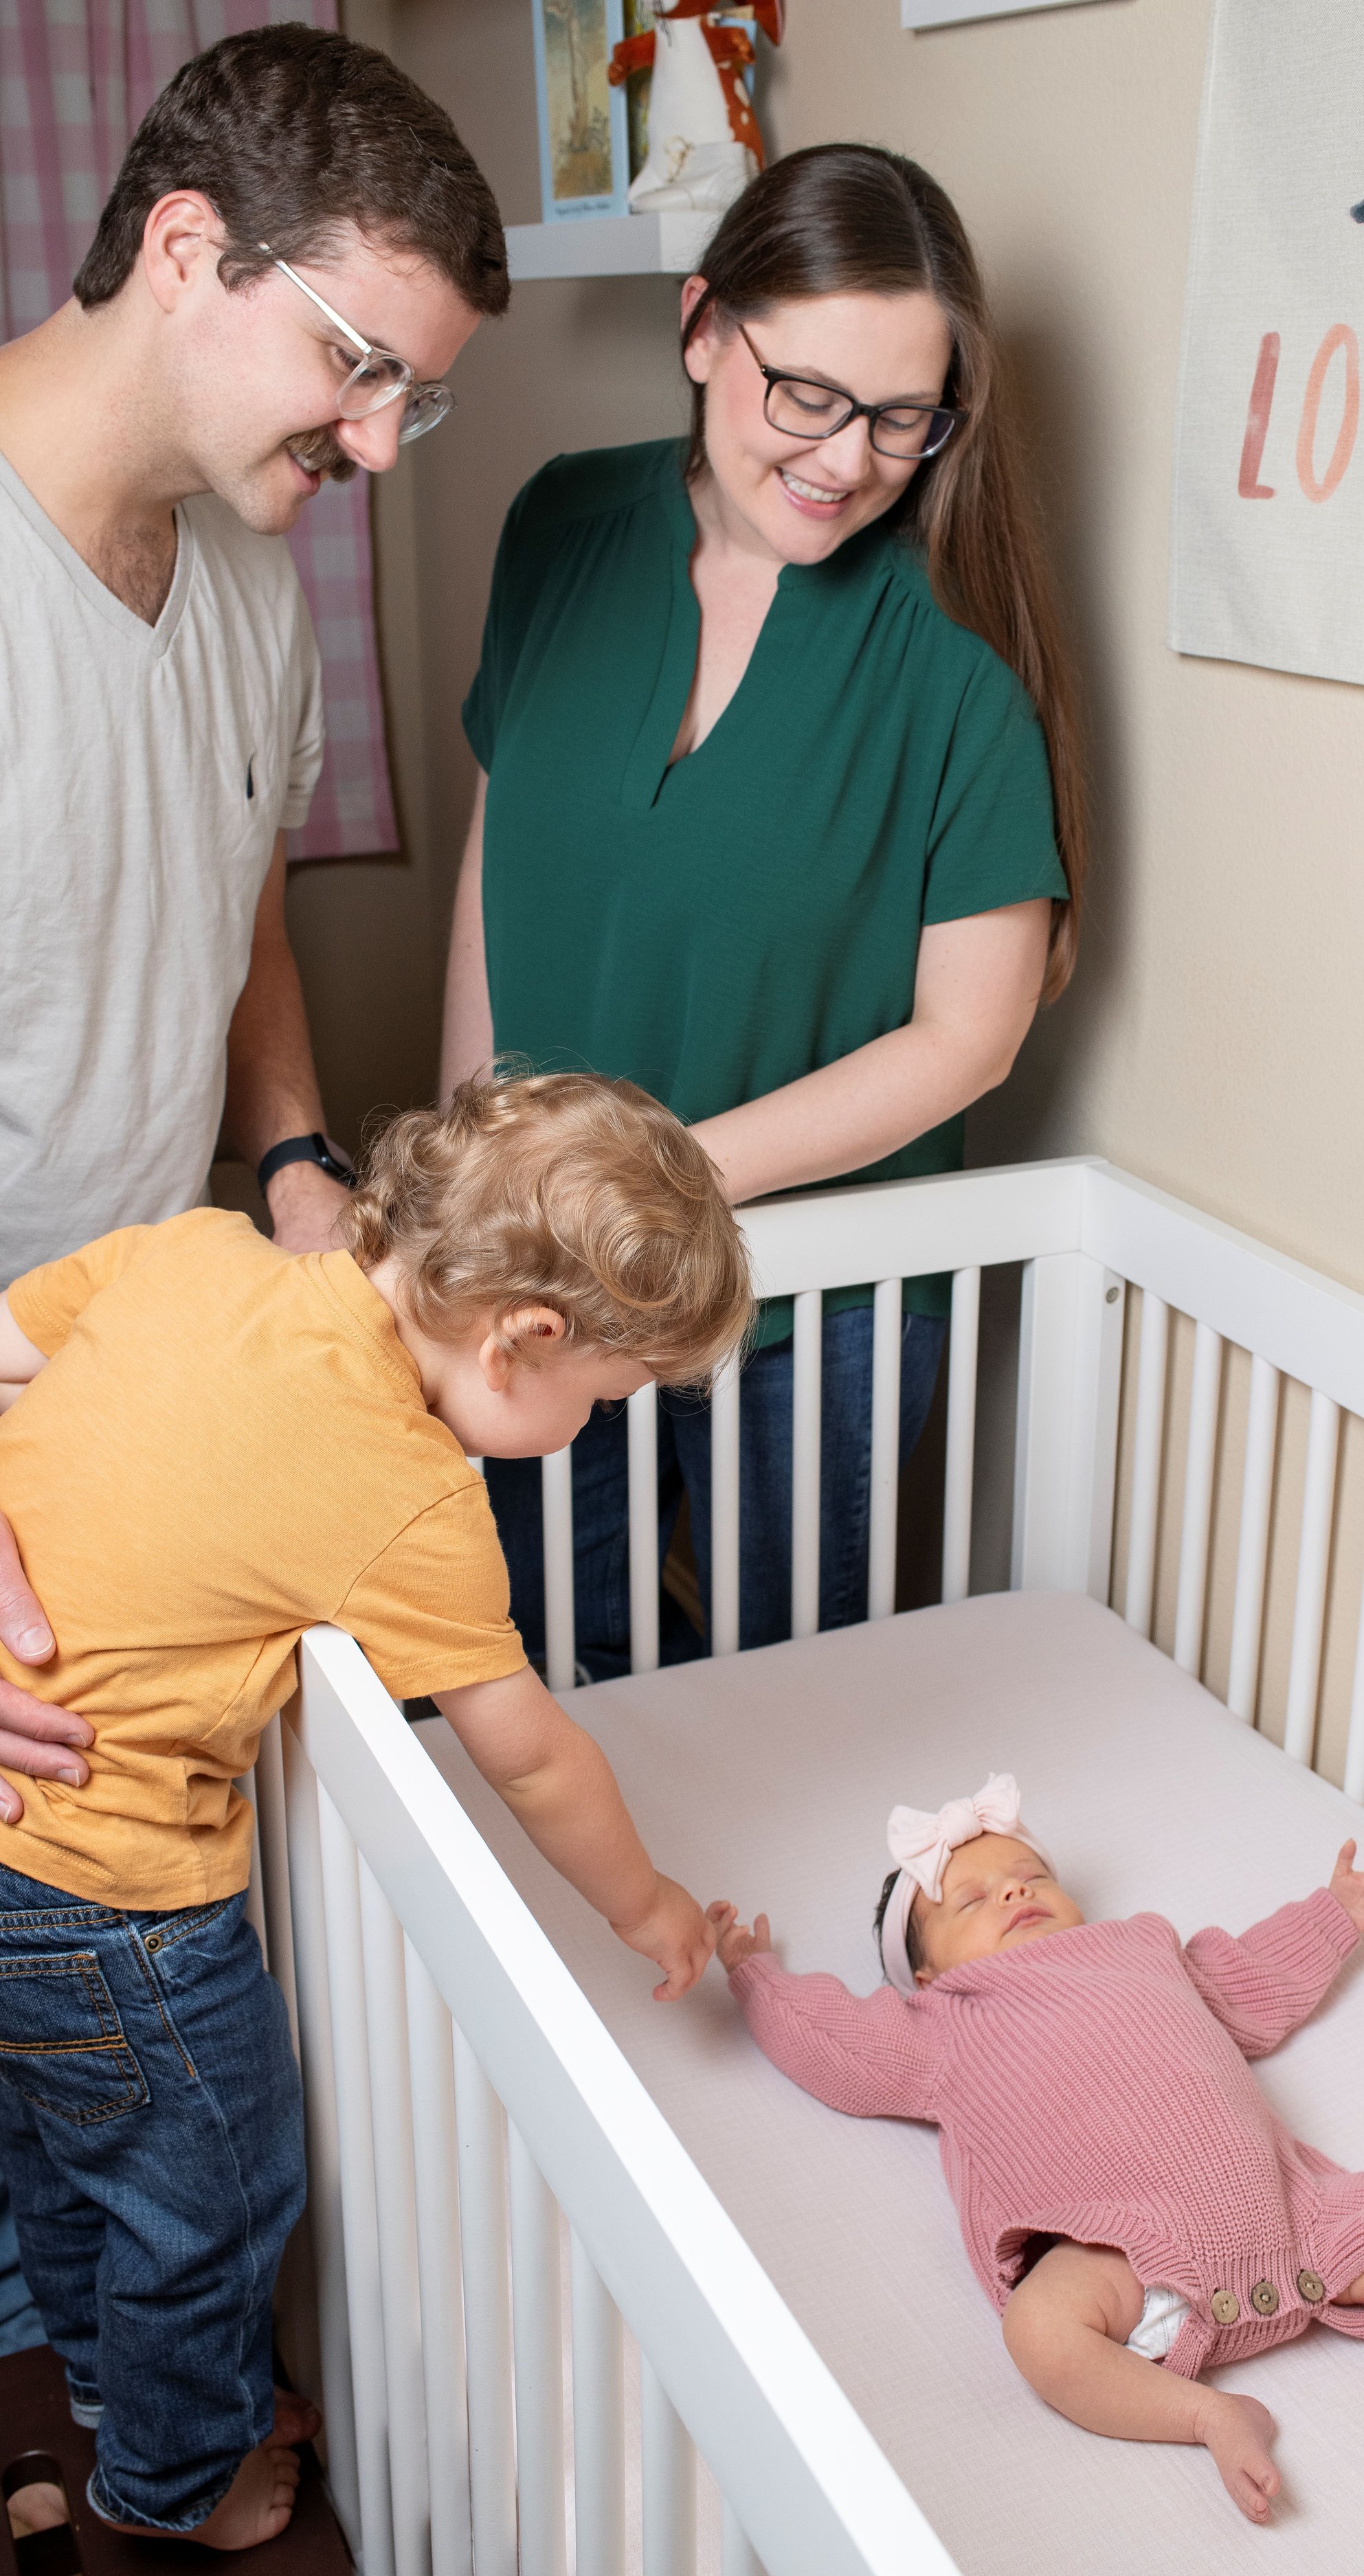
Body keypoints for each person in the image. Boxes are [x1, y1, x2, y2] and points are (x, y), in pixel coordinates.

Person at [0, 21, 511, 2350]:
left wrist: (299, 1155)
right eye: (360, 371)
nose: (382, 445)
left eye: (417, 398)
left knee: (82, 2045)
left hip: (136, 1399)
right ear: (190, 249)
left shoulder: (232, 584)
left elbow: (247, 898)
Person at [0, 1072, 750, 2547]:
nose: (594, 1432)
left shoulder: (195, 1248)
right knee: (209, 2184)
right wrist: (647, 1903)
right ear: (519, 1338)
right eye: (604, 1404)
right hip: (111, 1886)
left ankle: (106, 2382)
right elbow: (531, 1756)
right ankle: (177, 2483)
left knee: (57, 2139)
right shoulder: (408, 1499)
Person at [443, 143, 1086, 1675]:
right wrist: (473, 1159)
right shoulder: (558, 529)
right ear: (699, 330)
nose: (847, 456)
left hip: (810, 1318)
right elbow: (498, 853)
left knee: (787, 1704)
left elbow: (965, 1041)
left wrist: (652, 1187)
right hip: (532, 1267)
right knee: (545, 1666)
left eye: (900, 417)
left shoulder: (955, 669)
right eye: (806, 393)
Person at [715, 1775, 1364, 2525]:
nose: (1014, 1895)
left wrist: (1335, 1915)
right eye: (972, 1902)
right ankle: (1205, 2415)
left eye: (1029, 1876)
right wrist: (755, 1977)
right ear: (928, 1975)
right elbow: (833, 2048)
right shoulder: (943, 2021)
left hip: (1283, 2216)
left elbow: (1248, 1980)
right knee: (1039, 2330)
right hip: (1125, 2251)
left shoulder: (1143, 1950)